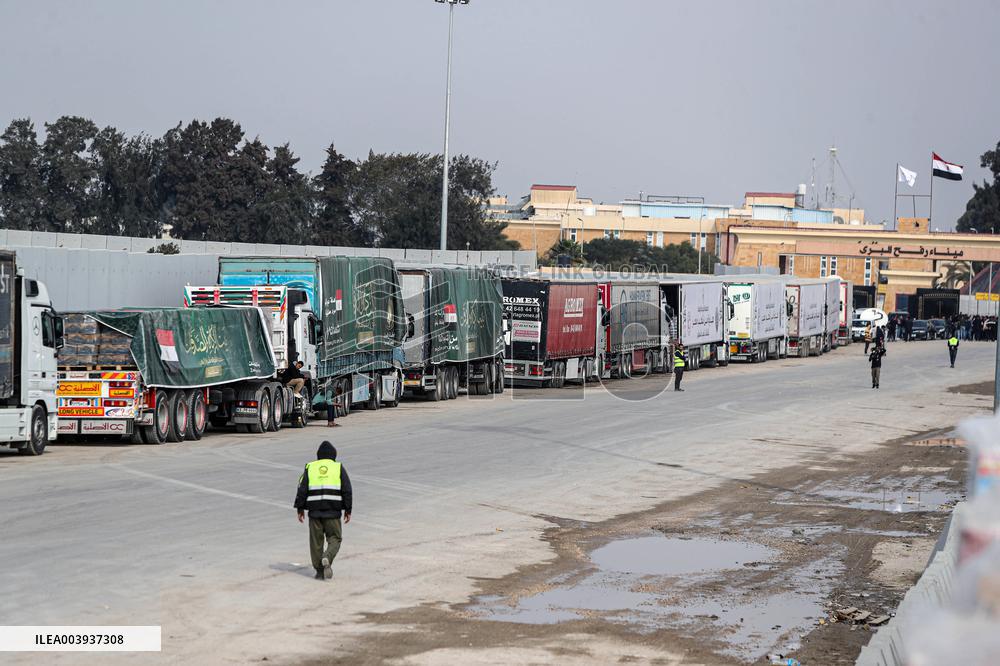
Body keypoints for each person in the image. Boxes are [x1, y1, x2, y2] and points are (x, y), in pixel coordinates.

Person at [294, 441, 352, 580]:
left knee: (316, 543)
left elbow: (302, 489)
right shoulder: (338, 467)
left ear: (318, 456)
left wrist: (300, 508)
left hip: (314, 513)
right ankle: (327, 556)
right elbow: (347, 489)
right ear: (334, 456)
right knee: (335, 538)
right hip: (333, 512)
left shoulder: (310, 467)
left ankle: (319, 572)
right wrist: (348, 509)